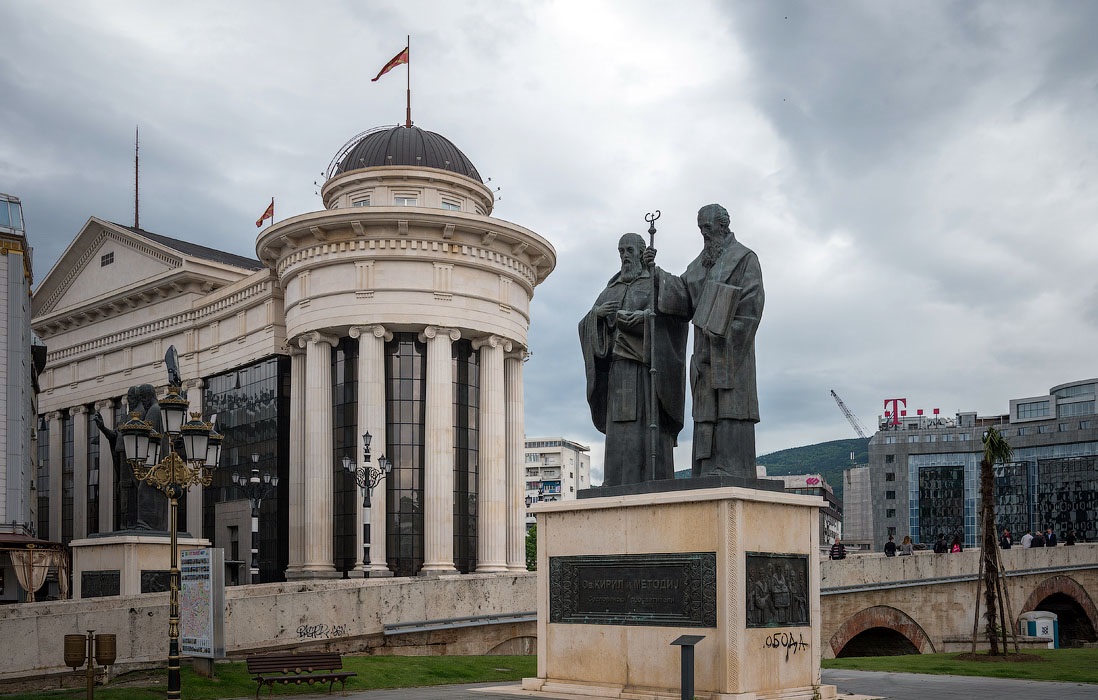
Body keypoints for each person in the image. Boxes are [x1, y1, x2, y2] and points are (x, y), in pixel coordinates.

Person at [646, 203, 764, 479]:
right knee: (706, 412)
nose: (704, 235)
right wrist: (657, 274)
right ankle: (707, 469)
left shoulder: (744, 258)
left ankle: (734, 467)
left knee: (731, 410)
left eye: (707, 228)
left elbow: (751, 306)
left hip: (732, 354)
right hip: (703, 353)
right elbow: (682, 297)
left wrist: (724, 334)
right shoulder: (698, 266)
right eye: (700, 229)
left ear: (723, 226)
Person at [579, 233, 688, 486]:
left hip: (647, 372)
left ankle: (652, 479)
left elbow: (678, 313)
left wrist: (645, 318)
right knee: (620, 432)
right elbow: (585, 324)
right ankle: (616, 482)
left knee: (648, 429)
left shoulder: (653, 281)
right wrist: (596, 315)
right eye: (621, 252)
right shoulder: (611, 289)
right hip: (618, 374)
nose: (625, 256)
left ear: (641, 252)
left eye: (629, 251)